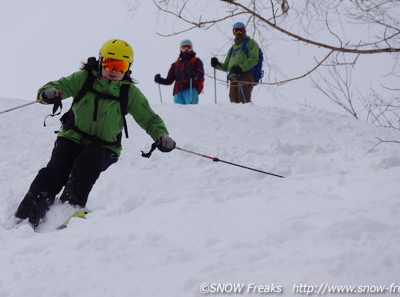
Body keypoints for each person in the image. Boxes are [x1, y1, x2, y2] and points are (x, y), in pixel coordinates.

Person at [14, 39, 176, 229]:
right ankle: (26, 218)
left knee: (88, 163)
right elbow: (58, 87)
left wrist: (161, 136)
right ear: (100, 62)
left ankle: (67, 209)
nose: (113, 70)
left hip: (105, 146)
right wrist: (48, 93)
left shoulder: (129, 92)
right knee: (56, 171)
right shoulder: (84, 78)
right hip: (71, 137)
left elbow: (149, 119)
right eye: (109, 63)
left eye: (120, 66)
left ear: (127, 68)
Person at [210, 22, 260, 104]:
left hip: (245, 75)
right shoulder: (233, 48)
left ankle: (247, 115)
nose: (238, 33)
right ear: (233, 32)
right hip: (233, 77)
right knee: (233, 100)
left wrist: (241, 68)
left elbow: (254, 59)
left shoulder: (250, 43)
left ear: (245, 31)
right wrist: (217, 65)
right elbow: (227, 66)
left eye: (241, 30)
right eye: (236, 31)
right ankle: (237, 117)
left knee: (243, 99)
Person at [153, 39, 205, 104]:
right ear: (180, 49)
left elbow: (200, 74)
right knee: (179, 111)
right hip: (178, 92)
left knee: (191, 110)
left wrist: (194, 75)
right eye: (184, 47)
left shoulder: (196, 61)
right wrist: (160, 80)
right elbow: (169, 80)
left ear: (191, 48)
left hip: (191, 89)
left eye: (188, 47)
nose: (186, 49)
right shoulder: (176, 65)